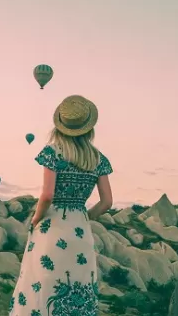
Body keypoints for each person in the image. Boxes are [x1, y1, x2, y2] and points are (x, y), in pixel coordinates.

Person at [9, 94, 114, 316]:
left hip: (52, 227)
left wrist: (36, 218)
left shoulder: (52, 153)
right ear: (88, 127)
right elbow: (107, 202)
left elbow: (47, 194)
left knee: (42, 283)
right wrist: (86, 217)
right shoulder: (99, 159)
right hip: (80, 231)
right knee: (78, 284)